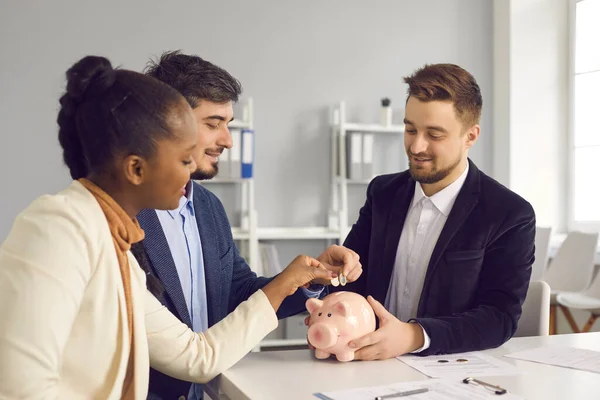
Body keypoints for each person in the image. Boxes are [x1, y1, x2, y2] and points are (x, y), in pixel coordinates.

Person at [0, 56, 335, 399]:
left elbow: (196, 355)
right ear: (136, 168)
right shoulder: (56, 227)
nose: (189, 171)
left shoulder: (118, 245)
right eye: (183, 158)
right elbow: (20, 389)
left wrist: (291, 281)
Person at [137, 50, 362, 399]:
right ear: (166, 123)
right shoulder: (122, 216)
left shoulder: (208, 207)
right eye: (213, 124)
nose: (228, 140)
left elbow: (238, 294)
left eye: (228, 124)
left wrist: (304, 280)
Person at [336, 63, 535, 359]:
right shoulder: (382, 193)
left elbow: (499, 317)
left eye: (435, 134)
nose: (416, 146)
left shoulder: (509, 214)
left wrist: (414, 336)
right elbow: (351, 280)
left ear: (470, 136)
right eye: (410, 129)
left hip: (448, 368)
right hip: (367, 361)